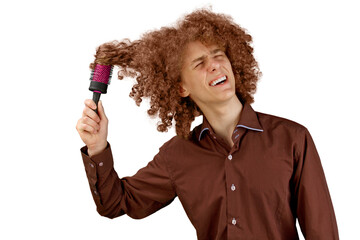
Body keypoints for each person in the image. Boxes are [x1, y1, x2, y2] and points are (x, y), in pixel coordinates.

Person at [76, 8, 339, 240]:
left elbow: (322, 232)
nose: (214, 66)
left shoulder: (291, 139)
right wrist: (97, 148)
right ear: (181, 87)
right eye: (199, 63)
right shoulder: (177, 155)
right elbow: (117, 204)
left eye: (218, 55)